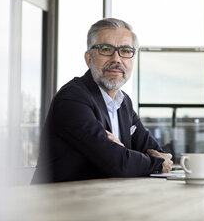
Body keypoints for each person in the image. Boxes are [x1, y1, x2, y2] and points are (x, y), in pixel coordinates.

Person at [32, 18, 173, 184]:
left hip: (104, 201)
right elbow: (118, 164)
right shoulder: (72, 98)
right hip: (57, 204)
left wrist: (124, 152)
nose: (117, 59)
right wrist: (129, 157)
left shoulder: (124, 102)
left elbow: (156, 152)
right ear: (89, 58)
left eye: (126, 51)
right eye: (106, 49)